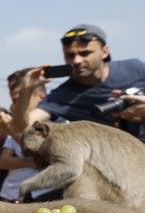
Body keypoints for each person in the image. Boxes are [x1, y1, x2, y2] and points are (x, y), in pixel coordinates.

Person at [11, 24, 145, 138]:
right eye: (70, 55)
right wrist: (25, 91)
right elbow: (22, 127)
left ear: (104, 52)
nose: (77, 61)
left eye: (85, 53)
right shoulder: (64, 95)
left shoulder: (135, 68)